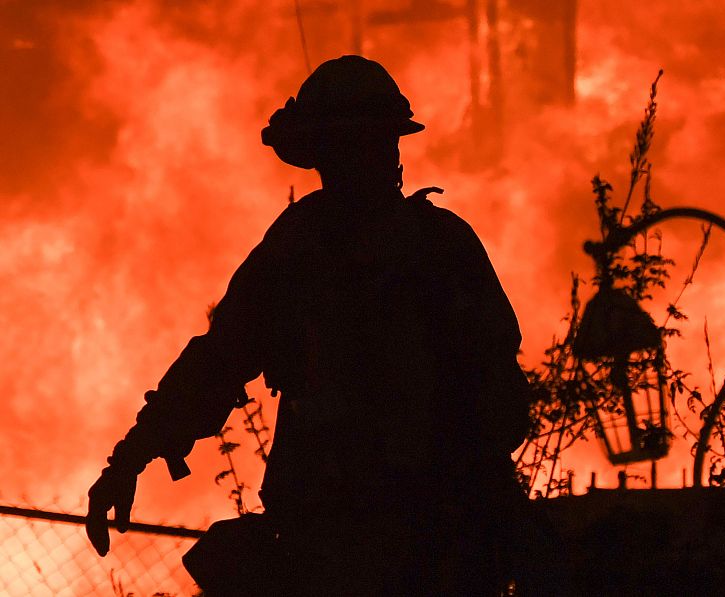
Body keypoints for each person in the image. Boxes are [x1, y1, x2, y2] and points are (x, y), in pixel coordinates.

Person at [86, 55, 531, 596]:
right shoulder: (303, 252)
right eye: (347, 147)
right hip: (347, 540)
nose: (363, 160)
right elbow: (217, 363)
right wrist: (130, 457)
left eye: (370, 144)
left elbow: (501, 398)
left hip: (424, 540)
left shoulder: (427, 249)